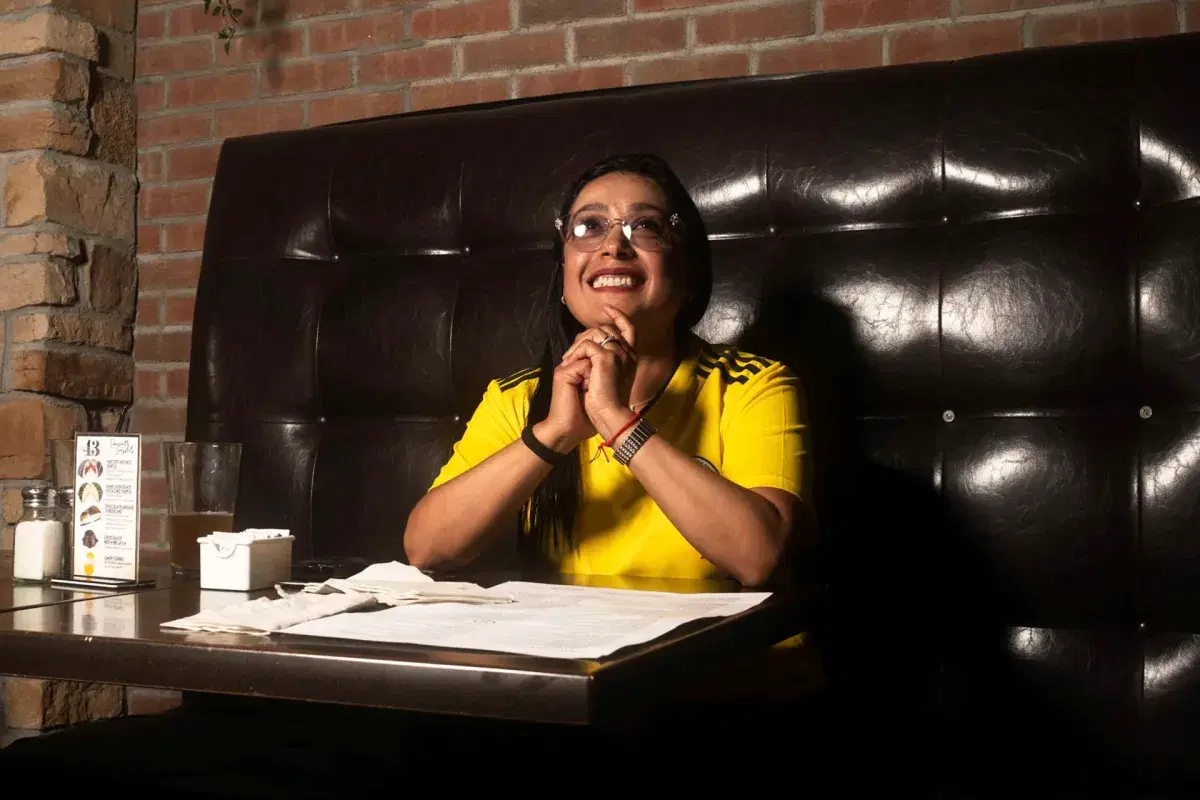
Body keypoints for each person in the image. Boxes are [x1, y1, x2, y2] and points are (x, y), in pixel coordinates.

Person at [404, 153, 814, 586]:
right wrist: (554, 434)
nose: (612, 246)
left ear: (688, 272)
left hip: (716, 651)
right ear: (564, 273)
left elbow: (758, 557)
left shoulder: (752, 384)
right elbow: (427, 550)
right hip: (571, 649)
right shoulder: (517, 398)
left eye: (646, 226)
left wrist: (616, 421)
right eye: (588, 227)